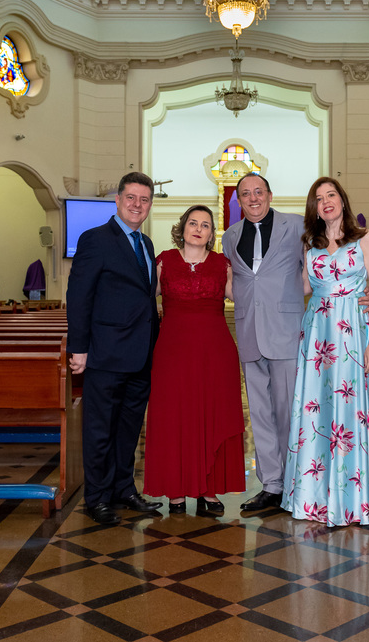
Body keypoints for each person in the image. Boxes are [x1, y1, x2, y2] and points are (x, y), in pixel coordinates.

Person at [282, 177, 369, 526]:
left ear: (342, 199)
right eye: (318, 198)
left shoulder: (364, 239)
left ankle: (352, 501)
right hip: (317, 335)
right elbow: (303, 288)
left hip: (353, 334)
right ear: (313, 207)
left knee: (349, 410)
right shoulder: (310, 247)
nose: (326, 201)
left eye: (331, 195)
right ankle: (315, 499)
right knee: (317, 412)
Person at [66, 172, 163, 526]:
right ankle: (97, 497)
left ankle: (124, 488)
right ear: (118, 200)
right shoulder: (95, 239)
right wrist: (78, 348)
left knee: (128, 428)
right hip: (105, 353)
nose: (138, 205)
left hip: (140, 354)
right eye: (131, 198)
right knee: (99, 429)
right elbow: (78, 297)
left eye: (144, 200)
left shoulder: (147, 244)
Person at [144, 206, 246, 515]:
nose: (198, 228)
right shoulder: (163, 262)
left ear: (212, 233)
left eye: (205, 225)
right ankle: (176, 491)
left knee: (211, 414)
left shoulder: (222, 265)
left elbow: (248, 298)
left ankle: (209, 491)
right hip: (172, 352)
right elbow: (140, 298)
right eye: (193, 223)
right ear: (182, 227)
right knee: (174, 417)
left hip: (216, 353)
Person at [222, 173, 306, 512]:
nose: (253, 198)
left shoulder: (296, 225)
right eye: (246, 194)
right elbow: (237, 280)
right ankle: (271, 486)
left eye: (258, 192)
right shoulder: (230, 236)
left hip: (286, 330)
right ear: (238, 200)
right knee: (261, 414)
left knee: (288, 412)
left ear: (270, 194)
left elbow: (316, 268)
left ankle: (295, 484)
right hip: (249, 332)